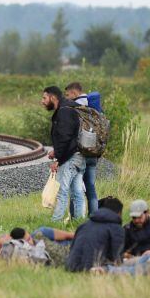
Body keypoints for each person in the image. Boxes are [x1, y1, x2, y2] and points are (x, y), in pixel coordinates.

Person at [41, 86, 86, 222]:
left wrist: (58, 160)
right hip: (80, 155)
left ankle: (56, 221)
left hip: (71, 157)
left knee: (61, 190)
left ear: (53, 97)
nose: (42, 101)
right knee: (77, 191)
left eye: (44, 97)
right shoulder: (70, 108)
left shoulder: (64, 111)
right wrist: (57, 152)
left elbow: (65, 138)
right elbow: (71, 136)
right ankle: (79, 221)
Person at [66, 196, 125, 272]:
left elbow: (72, 248)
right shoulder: (116, 228)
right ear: (119, 213)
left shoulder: (84, 225)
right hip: (93, 268)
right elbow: (117, 258)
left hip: (71, 266)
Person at [65, 81, 98, 216]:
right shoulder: (93, 106)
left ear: (74, 93)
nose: (66, 97)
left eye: (67, 94)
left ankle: (75, 217)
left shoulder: (76, 107)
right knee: (90, 186)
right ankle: (94, 216)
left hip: (79, 153)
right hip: (93, 151)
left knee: (75, 187)